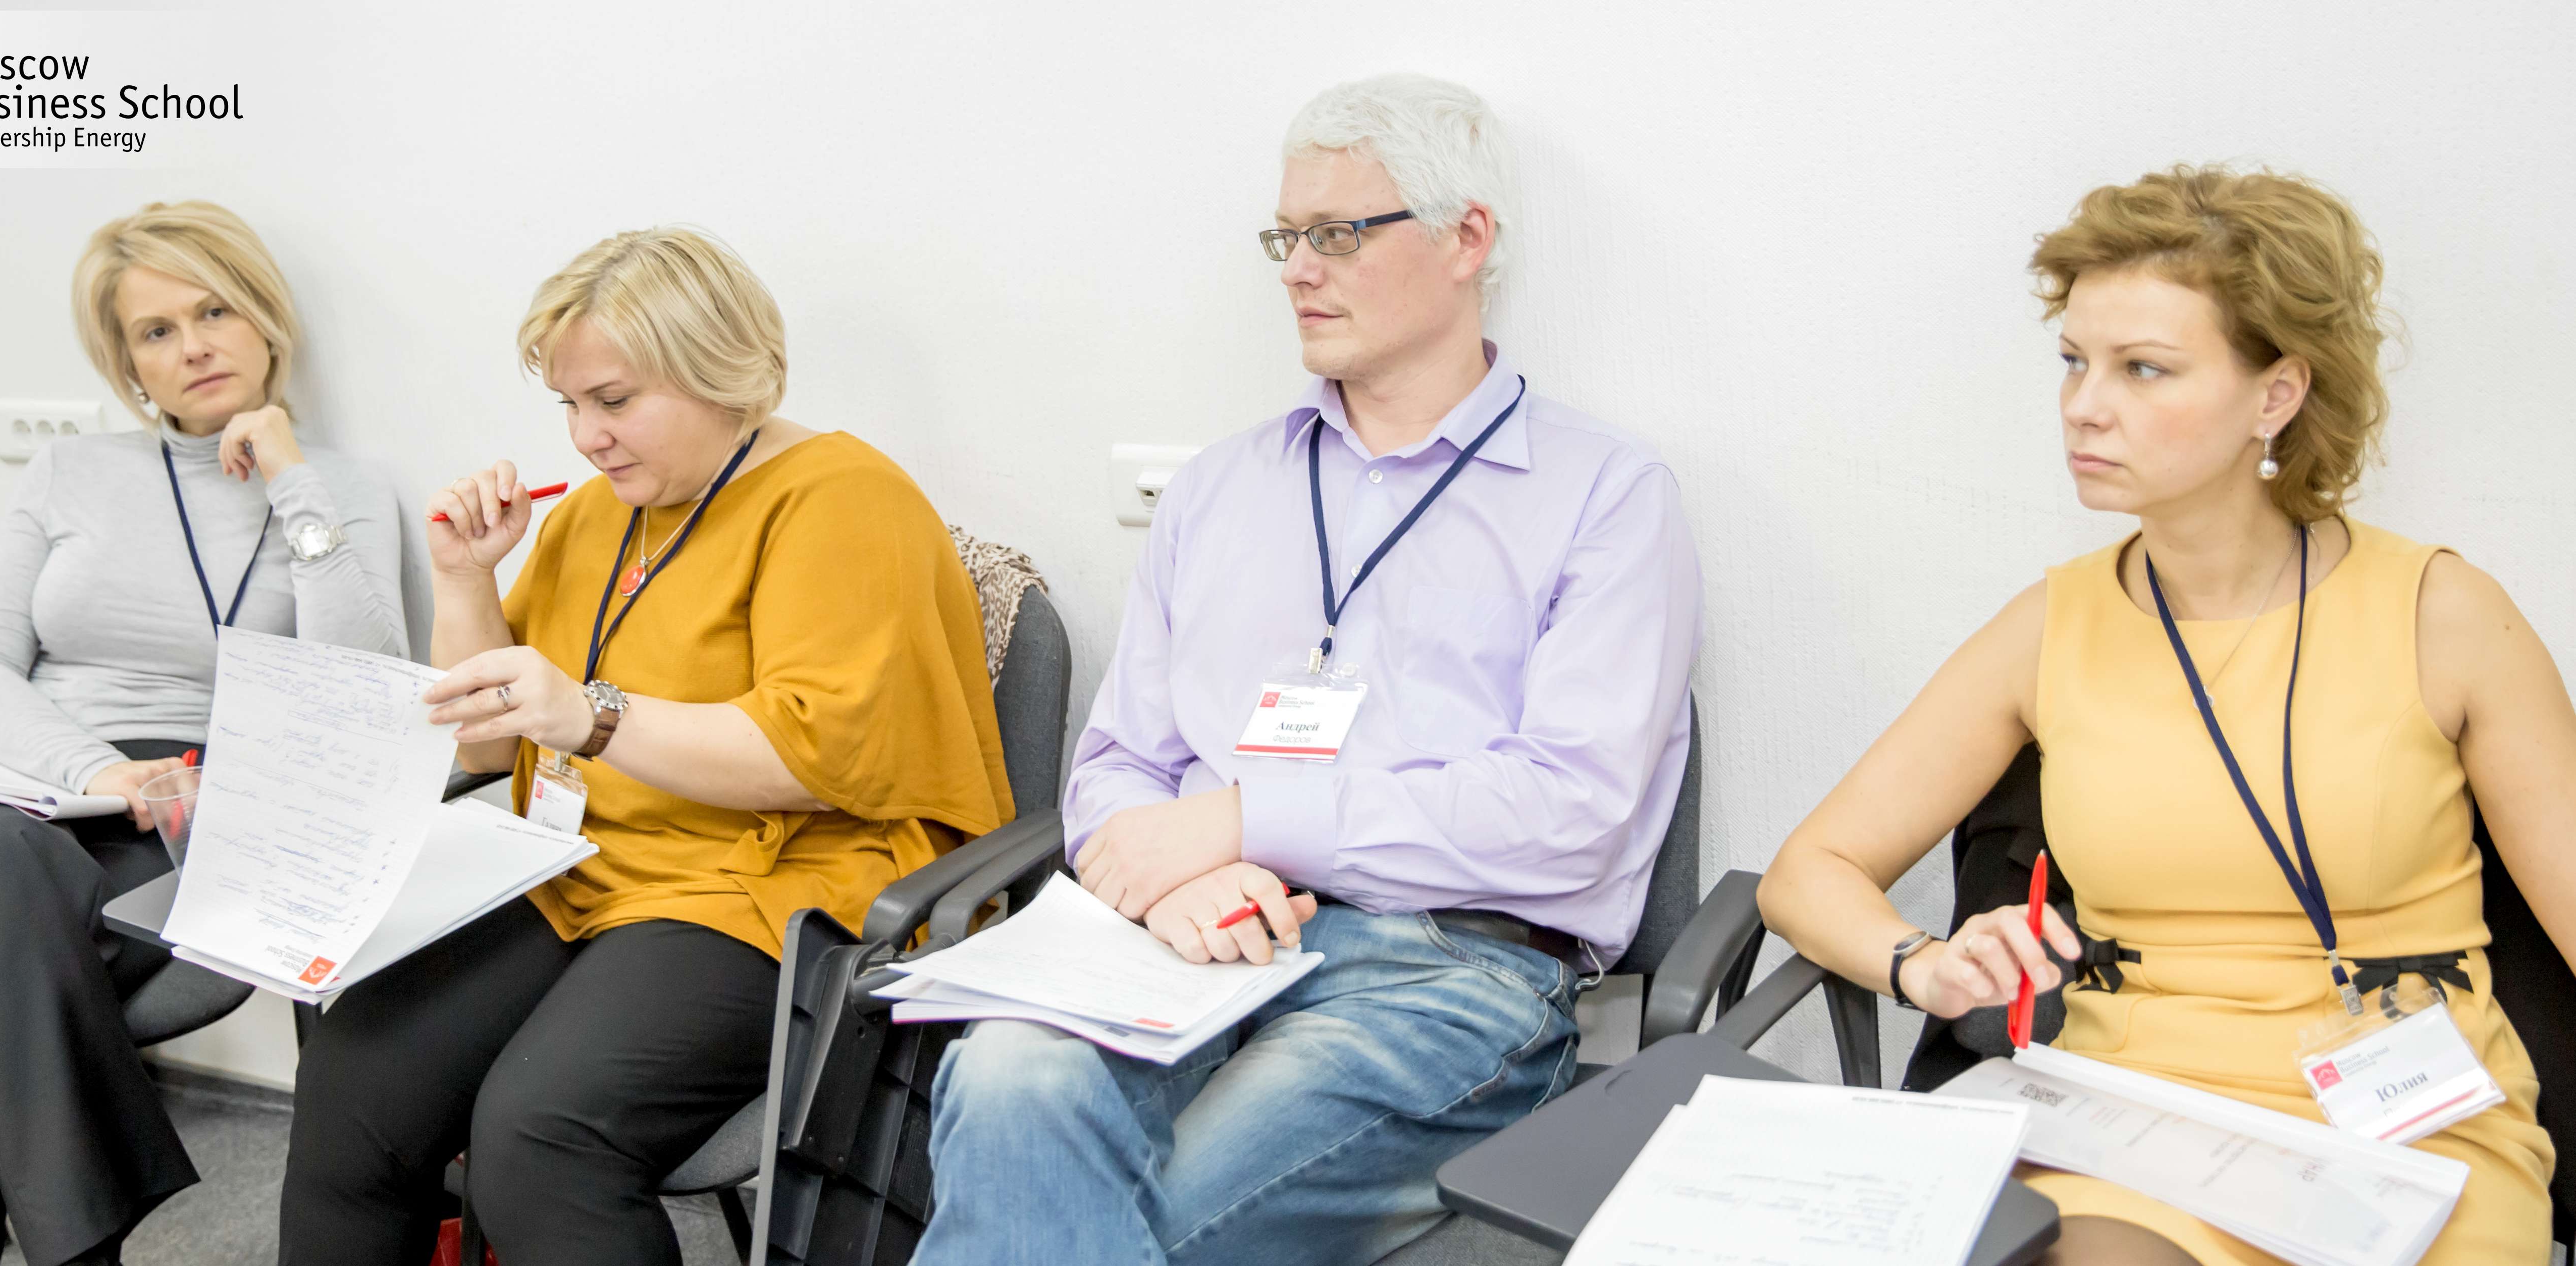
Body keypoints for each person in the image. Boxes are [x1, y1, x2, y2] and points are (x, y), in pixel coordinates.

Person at [913, 74, 1702, 1266]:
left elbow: (1569, 815)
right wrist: (1170, 882)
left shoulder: (1607, 498)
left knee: (1132, 1224)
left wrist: (1244, 821)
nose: (1296, 270)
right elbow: (1121, 760)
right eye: (1285, 238)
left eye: (1337, 234)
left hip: (1445, 971)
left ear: (1467, 239)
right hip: (1188, 932)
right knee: (1007, 1079)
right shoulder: (1218, 491)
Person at [1757, 166, 2568, 1264]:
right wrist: (1925, 965)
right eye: (2075, 361)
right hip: (2137, 1131)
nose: (2085, 405)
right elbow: (1808, 872)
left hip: (2407, 1131)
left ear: (2276, 396)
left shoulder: (2442, 615)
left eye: (2143, 368)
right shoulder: (2052, 626)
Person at [275, 226, 1012, 1265]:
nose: (587, 437)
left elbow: (815, 759)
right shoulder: (596, 516)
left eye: (614, 401)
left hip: (777, 886)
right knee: (356, 1080)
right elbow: (486, 745)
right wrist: (464, 578)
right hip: (589, 869)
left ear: (724, 372)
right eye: (569, 405)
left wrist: (593, 717)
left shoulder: (843, 499)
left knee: (541, 1135)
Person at [0, 200, 409, 1266]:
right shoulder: (70, 473)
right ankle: (80, 1251)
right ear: (129, 364)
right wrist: (94, 768)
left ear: (265, 318)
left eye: (215, 311)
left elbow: (357, 685)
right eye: (157, 331)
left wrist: (292, 479)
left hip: (184, 822)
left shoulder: (345, 489)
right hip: (19, 793)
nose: (194, 347)